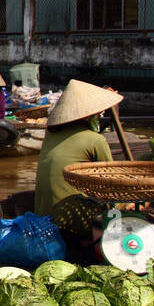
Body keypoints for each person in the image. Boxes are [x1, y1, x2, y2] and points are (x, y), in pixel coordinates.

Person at [34, 79, 121, 216]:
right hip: (70, 219)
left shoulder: (50, 135)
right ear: (90, 117)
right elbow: (111, 183)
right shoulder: (95, 140)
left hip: (42, 215)